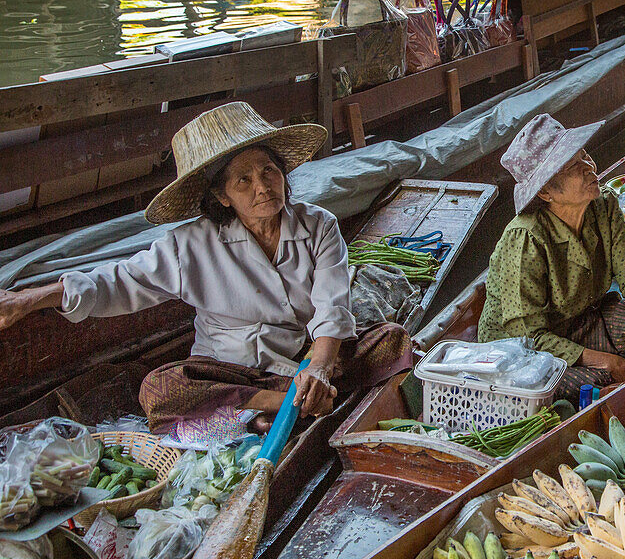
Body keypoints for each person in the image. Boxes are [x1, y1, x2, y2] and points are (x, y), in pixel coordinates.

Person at [0, 102, 411, 446]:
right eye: (243, 180)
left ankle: (272, 407)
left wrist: (318, 367)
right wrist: (33, 297)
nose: (263, 187)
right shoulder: (190, 245)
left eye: (269, 171)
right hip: (228, 370)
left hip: (302, 357)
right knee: (160, 388)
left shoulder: (318, 225)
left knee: (390, 341)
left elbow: (332, 305)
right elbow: (120, 281)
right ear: (222, 196)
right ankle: (280, 403)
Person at [479, 115, 625, 403]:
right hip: (525, 352)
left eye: (585, 155)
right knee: (595, 383)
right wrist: (611, 362)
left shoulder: (604, 205)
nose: (589, 167)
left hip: (583, 321)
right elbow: (529, 340)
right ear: (545, 192)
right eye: (574, 166)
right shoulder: (526, 239)